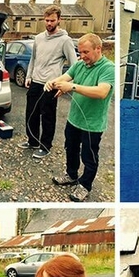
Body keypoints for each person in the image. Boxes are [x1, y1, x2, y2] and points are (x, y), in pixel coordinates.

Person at [45, 33, 115, 202]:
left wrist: (72, 87)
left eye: (85, 52)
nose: (82, 56)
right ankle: (71, 174)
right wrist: (53, 82)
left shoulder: (108, 68)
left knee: (89, 157)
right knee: (71, 148)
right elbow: (65, 77)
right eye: (80, 52)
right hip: (74, 119)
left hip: (92, 124)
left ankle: (85, 185)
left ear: (98, 49)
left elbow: (101, 92)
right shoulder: (79, 64)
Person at [17, 5, 78, 159]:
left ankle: (45, 146)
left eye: (52, 20)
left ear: (59, 20)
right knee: (31, 114)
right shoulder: (38, 38)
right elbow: (34, 58)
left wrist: (66, 86)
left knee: (48, 116)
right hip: (35, 82)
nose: (49, 23)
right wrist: (29, 76)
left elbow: (74, 65)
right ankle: (32, 141)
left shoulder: (65, 40)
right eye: (47, 20)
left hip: (51, 84)